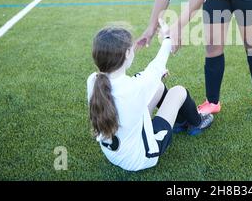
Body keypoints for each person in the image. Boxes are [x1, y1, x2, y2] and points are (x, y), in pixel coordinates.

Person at [87, 20, 213, 172]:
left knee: (158, 87)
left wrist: (156, 77)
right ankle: (196, 123)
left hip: (115, 154)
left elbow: (143, 80)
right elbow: (156, 66)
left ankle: (180, 122)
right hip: (142, 157)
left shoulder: (94, 80)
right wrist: (167, 38)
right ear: (127, 54)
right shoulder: (134, 87)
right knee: (178, 91)